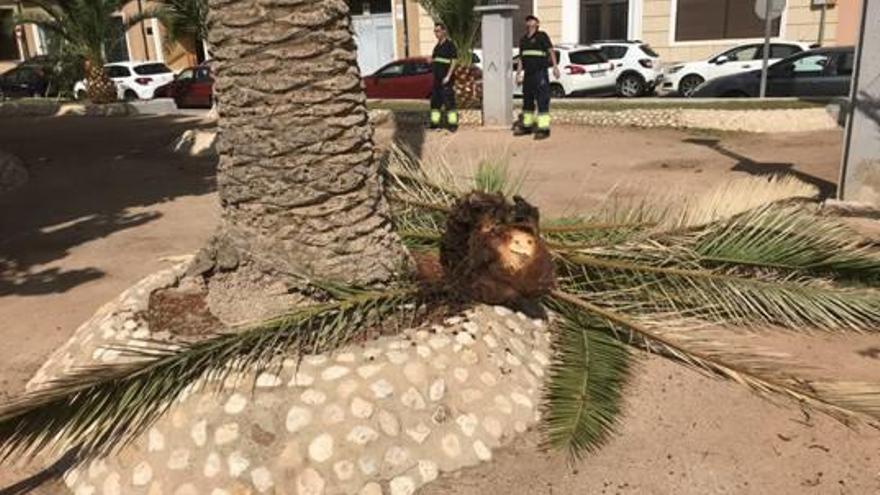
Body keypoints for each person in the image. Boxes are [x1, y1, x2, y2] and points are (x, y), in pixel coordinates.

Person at [514, 15, 560, 139]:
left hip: (540, 73)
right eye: (528, 20)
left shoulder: (542, 36)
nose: (530, 22)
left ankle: (544, 129)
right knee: (527, 101)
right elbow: (521, 58)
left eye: (532, 20)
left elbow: (551, 51)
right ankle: (527, 126)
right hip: (528, 75)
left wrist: (555, 67)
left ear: (537, 23)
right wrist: (518, 74)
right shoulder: (523, 40)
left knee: (542, 100)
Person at [430, 22, 458, 131]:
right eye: (435, 31)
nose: (436, 34)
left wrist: (448, 76)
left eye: (438, 31)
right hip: (436, 80)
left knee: (449, 104)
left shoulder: (450, 45)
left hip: (446, 80)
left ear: (444, 31)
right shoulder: (437, 47)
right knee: (435, 104)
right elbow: (434, 60)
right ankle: (434, 124)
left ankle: (452, 126)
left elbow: (454, 62)